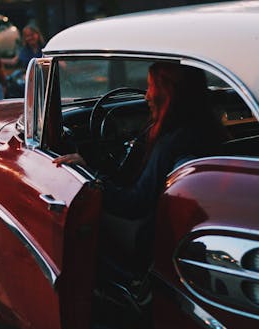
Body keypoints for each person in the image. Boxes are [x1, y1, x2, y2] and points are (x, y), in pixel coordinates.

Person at [53, 62, 228, 220]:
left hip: (149, 230)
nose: (147, 96)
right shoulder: (208, 130)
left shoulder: (171, 142)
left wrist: (92, 179)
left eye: (152, 87)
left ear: (168, 93)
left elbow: (134, 204)